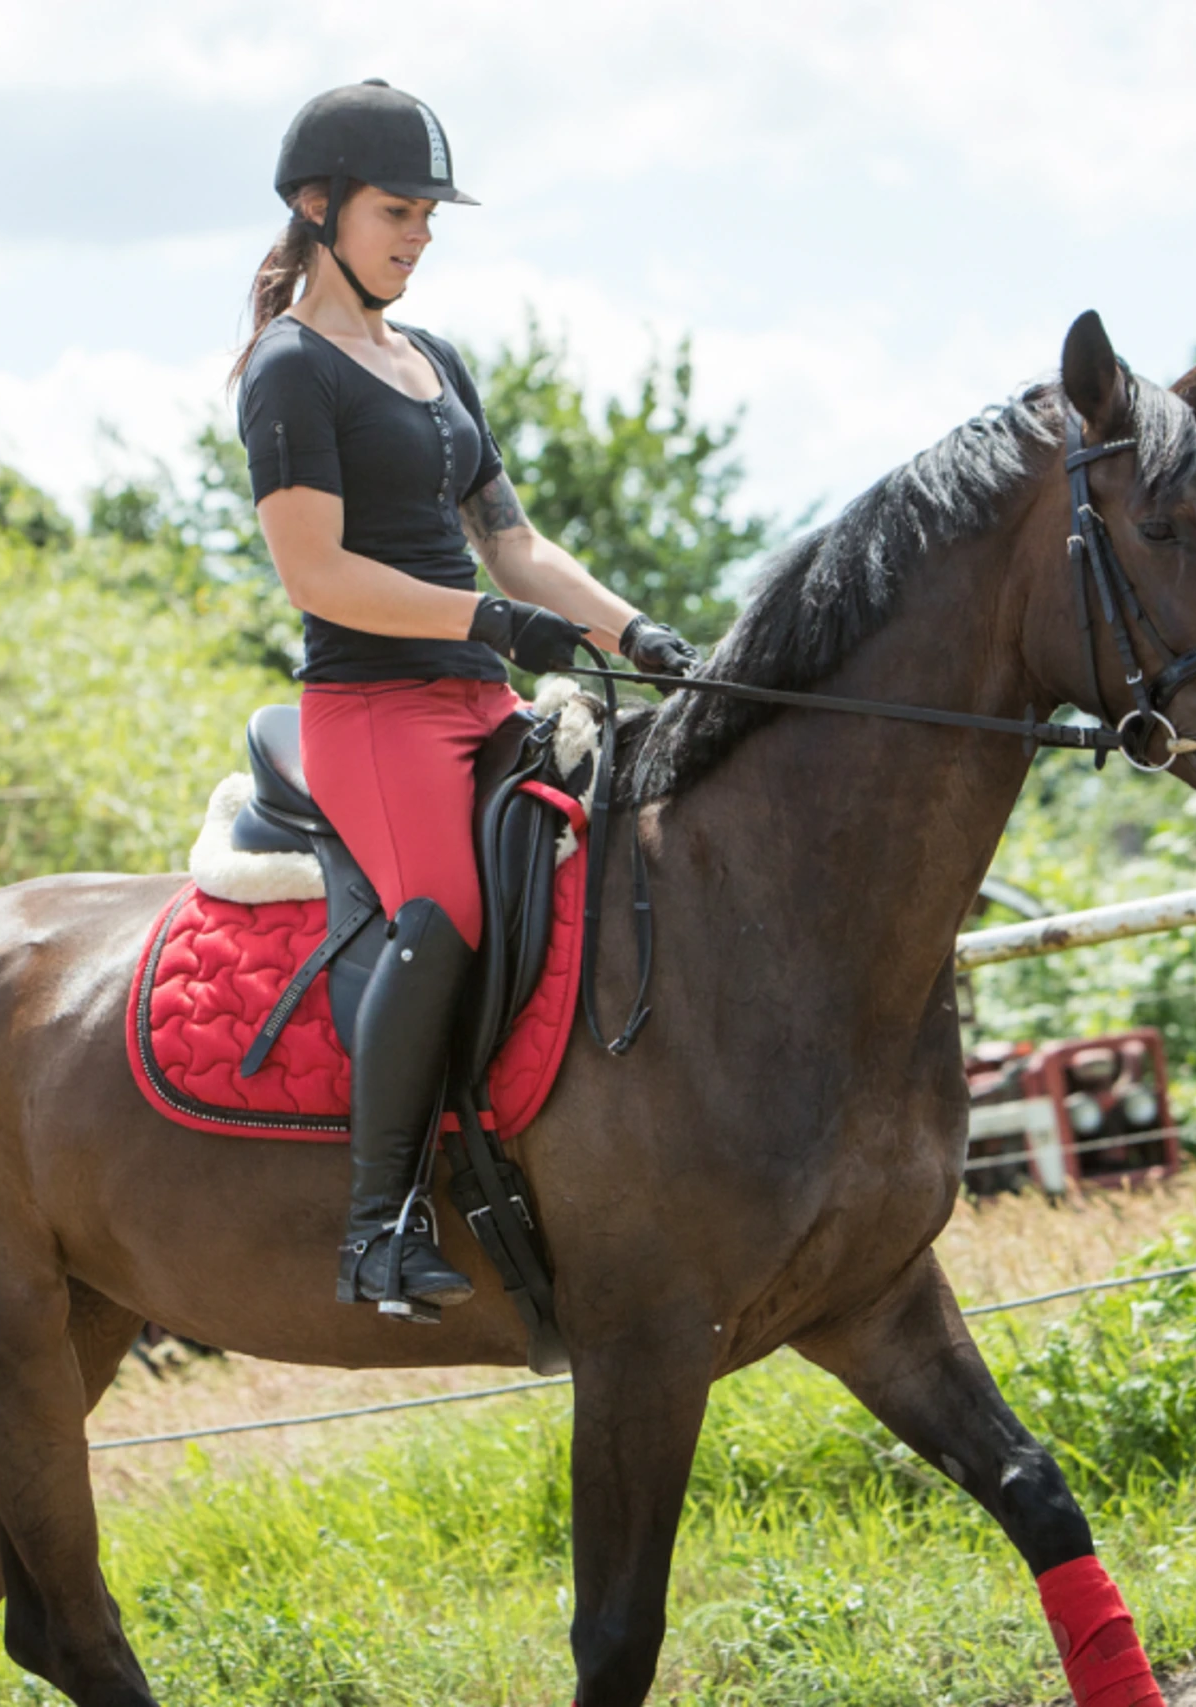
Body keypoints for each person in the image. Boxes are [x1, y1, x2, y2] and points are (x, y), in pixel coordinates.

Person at [234, 80, 700, 1318]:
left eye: (431, 216)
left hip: (476, 698)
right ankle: (376, 1227)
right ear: (317, 207)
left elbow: (514, 542)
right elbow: (315, 572)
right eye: (398, 211)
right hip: (372, 712)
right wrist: (490, 622)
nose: (418, 236)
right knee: (440, 913)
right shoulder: (290, 372)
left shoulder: (432, 363)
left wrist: (636, 630)